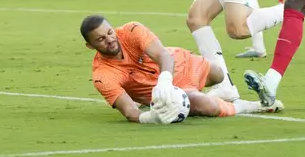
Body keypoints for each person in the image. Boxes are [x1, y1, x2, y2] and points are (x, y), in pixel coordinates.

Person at [81, 15, 284, 124]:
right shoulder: (102, 75)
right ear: (90, 46)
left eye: (109, 32)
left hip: (179, 63)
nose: (109, 39)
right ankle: (252, 105)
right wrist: (151, 118)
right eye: (100, 39)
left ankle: (215, 93)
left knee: (219, 74)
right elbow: (130, 112)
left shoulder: (131, 30)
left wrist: (165, 80)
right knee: (204, 105)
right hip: (171, 92)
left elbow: (163, 56)